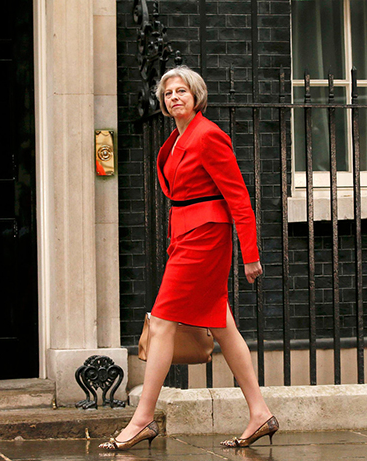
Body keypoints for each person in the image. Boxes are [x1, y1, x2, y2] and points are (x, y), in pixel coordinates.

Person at [100, 66, 278, 451]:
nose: (174, 97)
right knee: (222, 325)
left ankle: (142, 419)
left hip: (206, 237)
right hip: (186, 236)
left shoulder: (208, 135)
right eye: (168, 94)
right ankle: (260, 412)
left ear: (196, 96)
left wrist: (250, 254)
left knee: (163, 321)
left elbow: (238, 196)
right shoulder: (175, 140)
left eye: (181, 91)